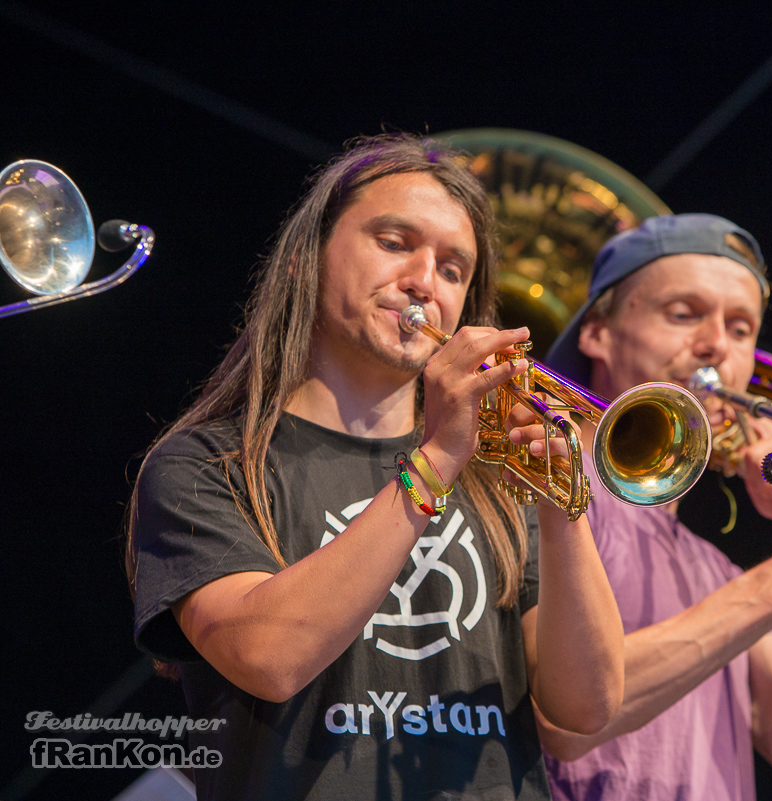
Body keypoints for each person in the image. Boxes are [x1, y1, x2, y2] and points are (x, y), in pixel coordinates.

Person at [126, 133, 625, 800]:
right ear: (307, 259)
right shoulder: (206, 465)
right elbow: (269, 659)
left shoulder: (498, 484)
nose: (425, 280)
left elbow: (585, 708)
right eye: (395, 243)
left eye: (453, 269)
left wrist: (565, 505)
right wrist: (440, 457)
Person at [537, 213, 772, 799]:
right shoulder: (541, 498)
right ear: (596, 332)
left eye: (742, 329)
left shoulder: (712, 571)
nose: (718, 344)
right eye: (684, 313)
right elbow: (564, 723)